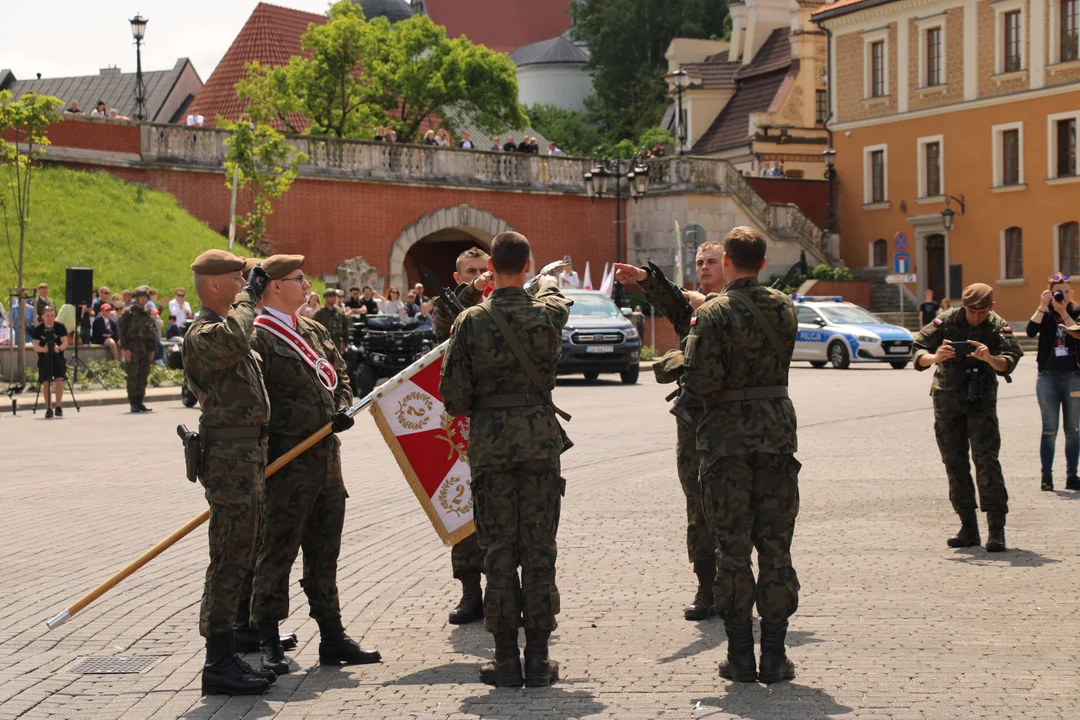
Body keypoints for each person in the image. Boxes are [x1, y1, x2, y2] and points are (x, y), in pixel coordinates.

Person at [440, 232, 572, 688]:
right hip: (539, 444)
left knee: (498, 553)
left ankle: (505, 660)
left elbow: (453, 399)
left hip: (493, 450)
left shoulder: (473, 321)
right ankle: (538, 660)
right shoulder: (549, 313)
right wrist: (548, 279)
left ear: (491, 269)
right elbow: (554, 295)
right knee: (539, 553)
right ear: (529, 263)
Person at [678, 226, 801, 684]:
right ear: (763, 263)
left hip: (726, 441)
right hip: (775, 435)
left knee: (732, 549)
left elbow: (702, 381)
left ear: (727, 261)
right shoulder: (784, 306)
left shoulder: (713, 313)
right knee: (775, 547)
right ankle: (774, 656)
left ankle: (740, 658)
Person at [249, 255, 381, 676]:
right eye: (297, 279)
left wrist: (342, 406)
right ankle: (266, 639)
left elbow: (340, 374)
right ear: (273, 286)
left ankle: (332, 635)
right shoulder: (257, 338)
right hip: (286, 465)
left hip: (326, 463)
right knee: (277, 552)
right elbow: (256, 402)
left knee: (325, 553)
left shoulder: (315, 330)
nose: (306, 284)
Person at [612, 241, 726, 622]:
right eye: (700, 263)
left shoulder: (740, 308)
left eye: (712, 261)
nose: (705, 268)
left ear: (728, 264)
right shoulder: (690, 310)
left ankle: (735, 584)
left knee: (734, 505)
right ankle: (706, 586)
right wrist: (644, 278)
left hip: (732, 424)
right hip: (693, 424)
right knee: (697, 504)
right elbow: (668, 299)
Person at [183, 249, 275, 696]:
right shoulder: (205, 334)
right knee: (228, 560)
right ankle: (217, 661)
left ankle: (227, 651)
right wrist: (250, 298)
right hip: (229, 460)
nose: (245, 286)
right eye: (237, 279)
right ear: (214, 286)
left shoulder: (227, 327)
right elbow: (238, 337)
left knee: (242, 556)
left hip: (246, 455)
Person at [913, 283, 1023, 552]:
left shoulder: (997, 325)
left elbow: (1010, 360)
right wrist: (935, 357)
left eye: (981, 312)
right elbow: (917, 348)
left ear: (991, 308)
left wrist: (990, 358)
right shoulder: (948, 319)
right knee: (954, 462)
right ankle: (968, 527)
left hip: (980, 403)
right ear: (963, 307)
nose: (976, 317)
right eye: (971, 312)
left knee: (987, 462)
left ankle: (996, 529)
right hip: (947, 402)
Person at [432, 246, 491, 625]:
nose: (479, 275)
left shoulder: (504, 304)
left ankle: (506, 590)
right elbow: (448, 322)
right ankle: (470, 592)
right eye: (471, 271)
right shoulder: (448, 305)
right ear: (458, 277)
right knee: (462, 506)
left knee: (503, 510)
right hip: (460, 426)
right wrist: (474, 290)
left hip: (500, 421)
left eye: (485, 269)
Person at [1027, 274, 1080, 491]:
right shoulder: (1045, 313)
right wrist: (1042, 306)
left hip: (1073, 376)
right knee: (1049, 429)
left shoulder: (1076, 312)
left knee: (1073, 429)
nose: (1064, 295)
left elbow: (1078, 333)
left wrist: (1063, 312)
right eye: (1059, 292)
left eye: (1067, 291)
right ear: (1050, 293)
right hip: (1048, 376)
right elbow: (1030, 332)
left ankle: (1072, 475)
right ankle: (1046, 477)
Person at [118, 286, 159, 413]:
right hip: (133, 349)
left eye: (145, 297)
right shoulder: (129, 312)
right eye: (141, 296)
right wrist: (125, 348)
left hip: (146, 349)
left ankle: (140, 401)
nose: (143, 299)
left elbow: (152, 331)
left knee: (143, 376)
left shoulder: (148, 313)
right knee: (132, 376)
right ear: (136, 298)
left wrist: (152, 349)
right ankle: (133, 402)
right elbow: (121, 331)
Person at [32, 305, 69, 419]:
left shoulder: (60, 327)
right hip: (44, 358)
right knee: (46, 381)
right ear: (43, 316)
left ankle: (58, 406)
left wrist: (59, 348)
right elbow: (35, 346)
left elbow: (65, 343)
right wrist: (43, 349)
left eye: (52, 316)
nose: (50, 318)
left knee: (59, 379)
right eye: (47, 316)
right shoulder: (39, 329)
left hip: (57, 357)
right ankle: (49, 407)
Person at [313, 288, 349, 353]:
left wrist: (345, 344)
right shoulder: (320, 312)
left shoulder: (340, 312)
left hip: (338, 343)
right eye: (330, 296)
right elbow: (313, 327)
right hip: (324, 343)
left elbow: (345, 328)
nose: (333, 298)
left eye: (334, 296)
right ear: (326, 298)